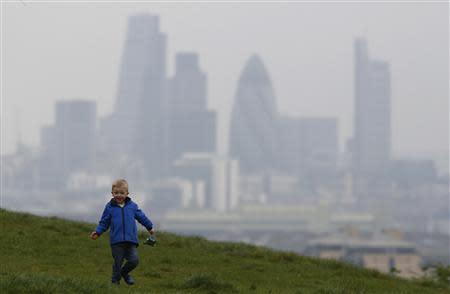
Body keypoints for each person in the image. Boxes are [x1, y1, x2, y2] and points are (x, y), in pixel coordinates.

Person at [90, 179, 155, 285]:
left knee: (134, 261)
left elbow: (141, 217)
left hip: (131, 240)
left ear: (127, 193)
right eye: (116, 193)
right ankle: (115, 283)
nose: (119, 195)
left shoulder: (132, 206)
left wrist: (149, 227)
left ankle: (124, 273)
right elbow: (104, 222)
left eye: (122, 193)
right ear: (112, 193)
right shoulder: (109, 207)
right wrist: (97, 232)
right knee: (118, 262)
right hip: (116, 241)